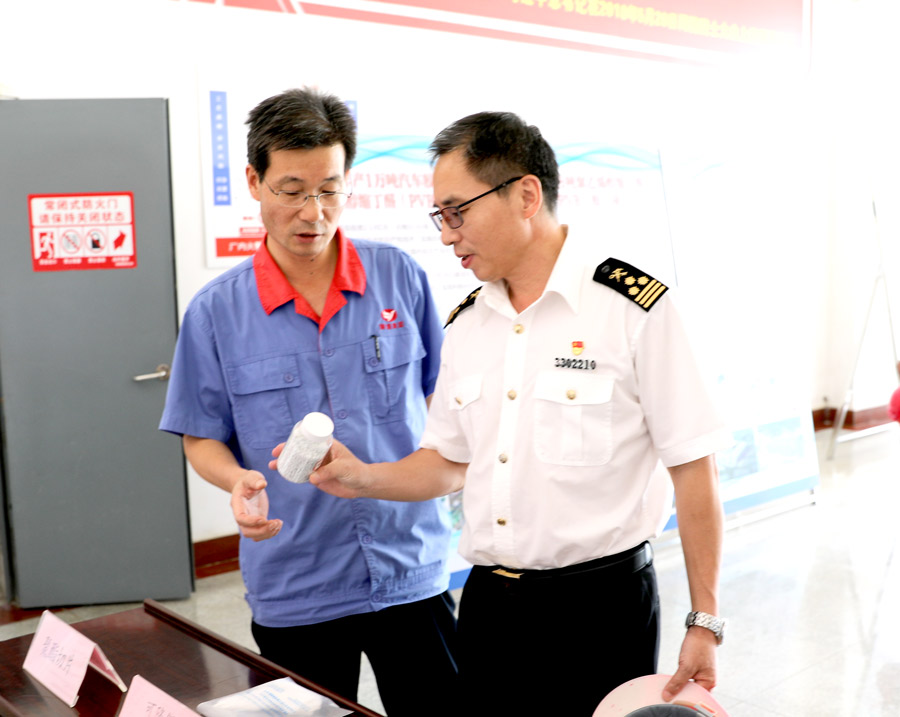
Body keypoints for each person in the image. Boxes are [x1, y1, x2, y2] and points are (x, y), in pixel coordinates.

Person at [299, 111, 732, 715]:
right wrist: (363, 478)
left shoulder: (634, 310)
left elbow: (693, 469)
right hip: (490, 608)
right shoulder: (468, 324)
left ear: (526, 195)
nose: (447, 235)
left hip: (601, 607)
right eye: (440, 216)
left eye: (457, 211)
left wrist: (704, 620)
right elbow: (449, 463)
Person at [159, 88, 458, 716]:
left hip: (411, 562)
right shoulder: (216, 313)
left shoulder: (399, 276)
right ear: (255, 182)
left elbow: (443, 397)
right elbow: (200, 434)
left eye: (329, 189)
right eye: (292, 190)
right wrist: (236, 479)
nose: (313, 213)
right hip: (297, 579)